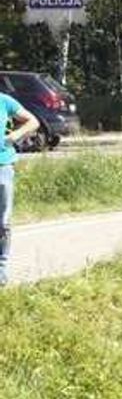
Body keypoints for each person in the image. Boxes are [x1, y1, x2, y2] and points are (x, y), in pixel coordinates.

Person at [0, 91, 40, 287]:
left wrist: (14, 135)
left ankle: (1, 269)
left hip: (3, 166)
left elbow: (32, 121)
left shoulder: (4, 101)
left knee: (3, 221)